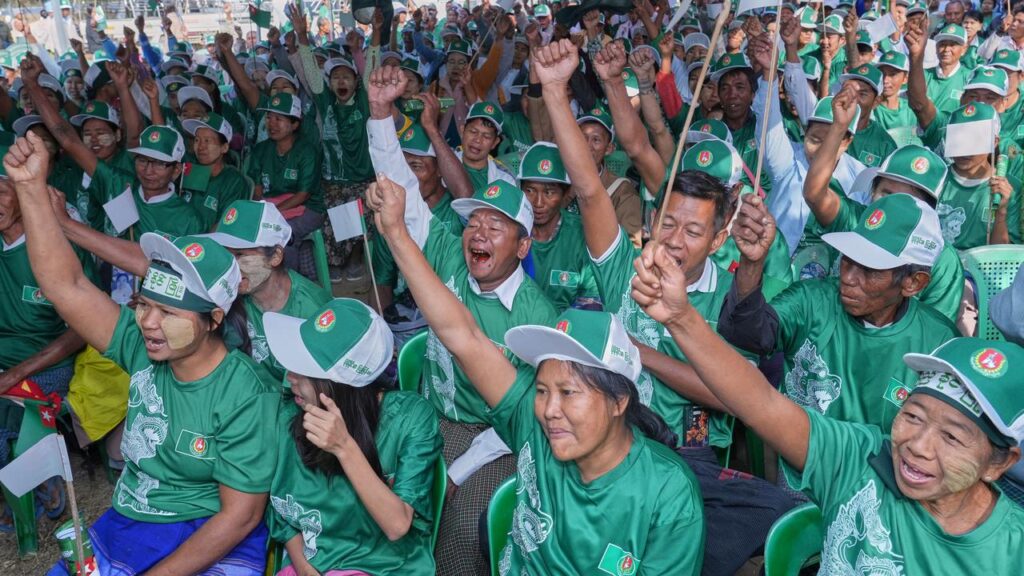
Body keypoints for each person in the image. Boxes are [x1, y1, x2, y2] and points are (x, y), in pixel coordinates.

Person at [538, 38, 796, 575]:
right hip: (609, 442)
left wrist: (637, 353)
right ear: (652, 221)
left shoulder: (732, 299)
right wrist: (555, 90)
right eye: (669, 224)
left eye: (694, 230)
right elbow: (588, 190)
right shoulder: (622, 270)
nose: (676, 241)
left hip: (687, 450)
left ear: (720, 236)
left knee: (783, 514)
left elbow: (730, 397)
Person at [368, 171, 706, 575]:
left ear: (619, 401)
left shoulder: (668, 495)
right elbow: (462, 335)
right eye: (542, 390)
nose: (548, 408)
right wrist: (395, 232)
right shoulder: (534, 429)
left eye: (568, 392)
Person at [633, 245, 1024, 573]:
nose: (918, 445)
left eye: (952, 436)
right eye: (913, 415)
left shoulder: (1011, 551)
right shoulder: (861, 459)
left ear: (998, 463)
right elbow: (760, 403)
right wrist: (680, 317)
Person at [6, 131, 279, 574]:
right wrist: (30, 188)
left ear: (213, 319)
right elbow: (66, 286)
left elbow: (240, 516)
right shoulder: (142, 349)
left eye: (168, 312)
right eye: (144, 304)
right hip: (130, 524)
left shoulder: (246, 394)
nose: (147, 322)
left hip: (210, 535)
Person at [367, 65, 558, 576]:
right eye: (474, 219)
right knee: (370, 493)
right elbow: (401, 199)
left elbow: (530, 417)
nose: (479, 231)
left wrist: (460, 467)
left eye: (496, 226)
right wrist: (381, 115)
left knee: (462, 529)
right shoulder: (450, 254)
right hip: (428, 416)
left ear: (522, 246)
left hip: (491, 438)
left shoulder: (536, 316)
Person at [264, 298, 442, 575]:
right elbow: (281, 516)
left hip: (386, 567)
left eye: (303, 370)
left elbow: (397, 525)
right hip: (309, 564)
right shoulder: (287, 413)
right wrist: (305, 569)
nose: (289, 378)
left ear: (341, 386)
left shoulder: (409, 418)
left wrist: (344, 446)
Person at [246, 93, 326, 275]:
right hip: (274, 206)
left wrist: (273, 213)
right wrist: (265, 211)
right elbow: (257, 188)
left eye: (278, 119)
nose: (271, 124)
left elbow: (303, 195)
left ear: (295, 124)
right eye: (269, 118)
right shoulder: (261, 149)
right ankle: (303, 276)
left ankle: (289, 280)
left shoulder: (307, 151)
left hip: (309, 208)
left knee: (283, 232)